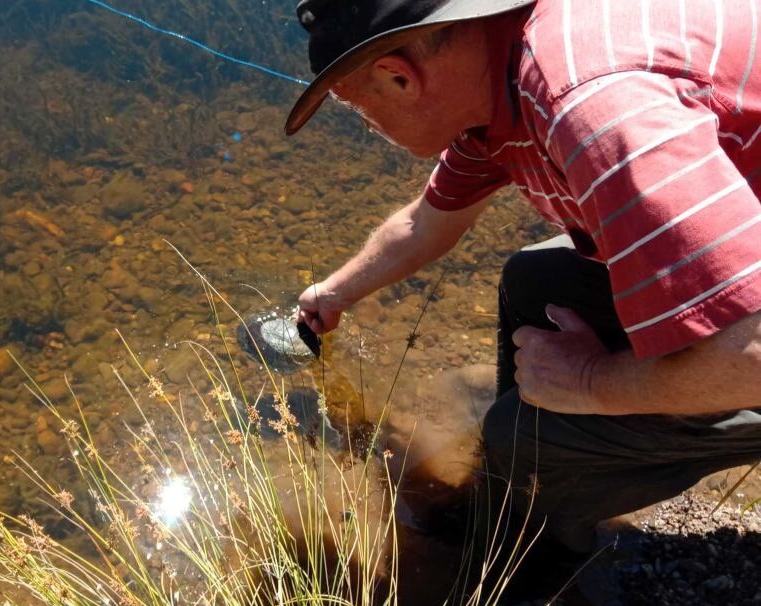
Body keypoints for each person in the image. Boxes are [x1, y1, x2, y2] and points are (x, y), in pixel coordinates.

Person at [287, 0, 761, 553]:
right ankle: (520, 489)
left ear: (398, 76)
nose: (368, 126)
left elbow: (753, 353)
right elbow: (424, 225)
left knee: (528, 436)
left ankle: (538, 556)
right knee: (533, 281)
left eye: (355, 106)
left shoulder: (592, 101)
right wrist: (333, 294)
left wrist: (591, 382)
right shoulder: (503, 80)